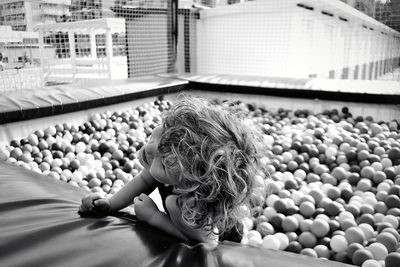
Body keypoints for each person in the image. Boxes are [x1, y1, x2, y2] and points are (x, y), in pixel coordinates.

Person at [79, 96, 261, 245]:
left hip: (221, 236)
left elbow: (208, 243)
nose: (150, 149)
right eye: (160, 134)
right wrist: (110, 204)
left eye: (164, 162)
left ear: (190, 181)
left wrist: (153, 217)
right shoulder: (175, 169)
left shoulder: (187, 204)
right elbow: (144, 180)